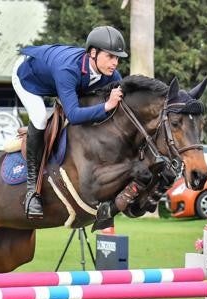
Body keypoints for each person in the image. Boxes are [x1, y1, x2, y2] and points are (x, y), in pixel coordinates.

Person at [12, 25, 128, 219]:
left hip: (55, 80)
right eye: (110, 56)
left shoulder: (112, 76)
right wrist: (107, 106)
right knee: (40, 117)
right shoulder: (68, 69)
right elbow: (73, 115)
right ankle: (32, 191)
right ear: (93, 53)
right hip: (27, 78)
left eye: (117, 58)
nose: (115, 63)